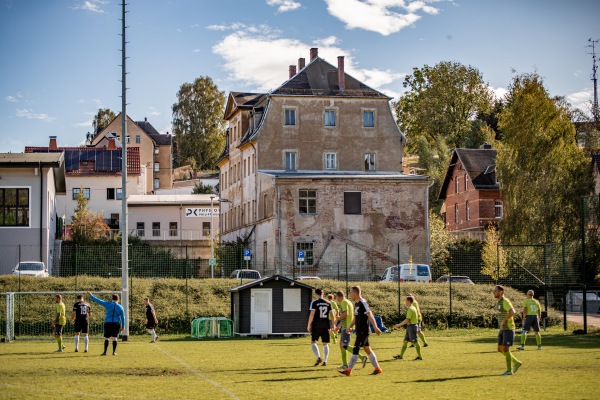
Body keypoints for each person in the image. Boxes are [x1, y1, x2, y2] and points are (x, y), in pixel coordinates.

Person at [338, 286, 382, 376]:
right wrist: (350, 326)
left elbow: (370, 315)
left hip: (364, 330)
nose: (349, 294)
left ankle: (348, 370)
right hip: (359, 331)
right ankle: (378, 368)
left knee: (355, 349)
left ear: (355, 293)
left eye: (350, 292)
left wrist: (376, 327)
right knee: (367, 349)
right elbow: (355, 317)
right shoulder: (356, 304)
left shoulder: (363, 302)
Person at [335, 291, 367, 370]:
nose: (336, 299)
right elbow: (346, 317)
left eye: (336, 297)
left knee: (345, 345)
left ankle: (362, 357)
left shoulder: (343, 302)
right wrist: (339, 326)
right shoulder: (348, 302)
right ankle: (345, 364)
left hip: (347, 327)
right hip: (345, 326)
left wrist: (337, 318)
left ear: (339, 296)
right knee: (341, 345)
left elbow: (346, 314)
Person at [493, 285, 522, 375]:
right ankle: (517, 362)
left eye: (495, 291)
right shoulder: (499, 302)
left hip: (508, 329)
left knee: (505, 349)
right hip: (503, 329)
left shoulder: (505, 301)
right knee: (500, 349)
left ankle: (509, 370)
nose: (494, 292)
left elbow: (512, 312)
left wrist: (504, 321)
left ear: (501, 292)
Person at [86, 291, 125, 356]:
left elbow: (99, 301)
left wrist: (91, 296)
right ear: (118, 299)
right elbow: (123, 317)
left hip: (108, 323)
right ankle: (114, 352)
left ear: (112, 299)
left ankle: (105, 352)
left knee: (107, 337)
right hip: (116, 323)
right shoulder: (120, 307)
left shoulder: (108, 304)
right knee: (115, 338)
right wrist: (123, 326)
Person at [307, 288, 336, 366]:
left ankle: (318, 357)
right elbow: (332, 315)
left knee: (313, 342)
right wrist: (333, 325)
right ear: (323, 294)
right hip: (326, 325)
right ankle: (325, 361)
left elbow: (312, 314)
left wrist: (309, 324)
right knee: (325, 343)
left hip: (316, 325)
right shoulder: (328, 303)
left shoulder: (314, 302)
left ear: (316, 294)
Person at [393, 296, 423, 360]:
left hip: (411, 327)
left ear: (409, 301)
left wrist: (399, 325)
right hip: (410, 326)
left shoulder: (410, 309)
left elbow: (407, 320)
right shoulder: (413, 308)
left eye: (406, 301)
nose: (405, 302)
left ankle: (420, 357)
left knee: (415, 342)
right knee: (405, 341)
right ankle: (400, 356)